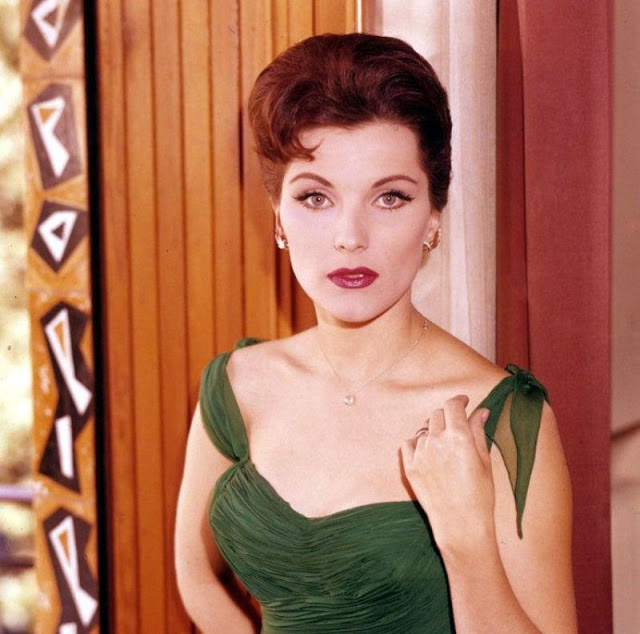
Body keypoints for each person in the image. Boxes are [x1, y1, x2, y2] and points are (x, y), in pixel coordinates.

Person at [175, 33, 577, 633]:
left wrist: (466, 541)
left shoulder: (504, 419)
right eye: (316, 197)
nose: (350, 237)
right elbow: (196, 575)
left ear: (433, 215)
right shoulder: (236, 386)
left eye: (389, 197)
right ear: (278, 215)